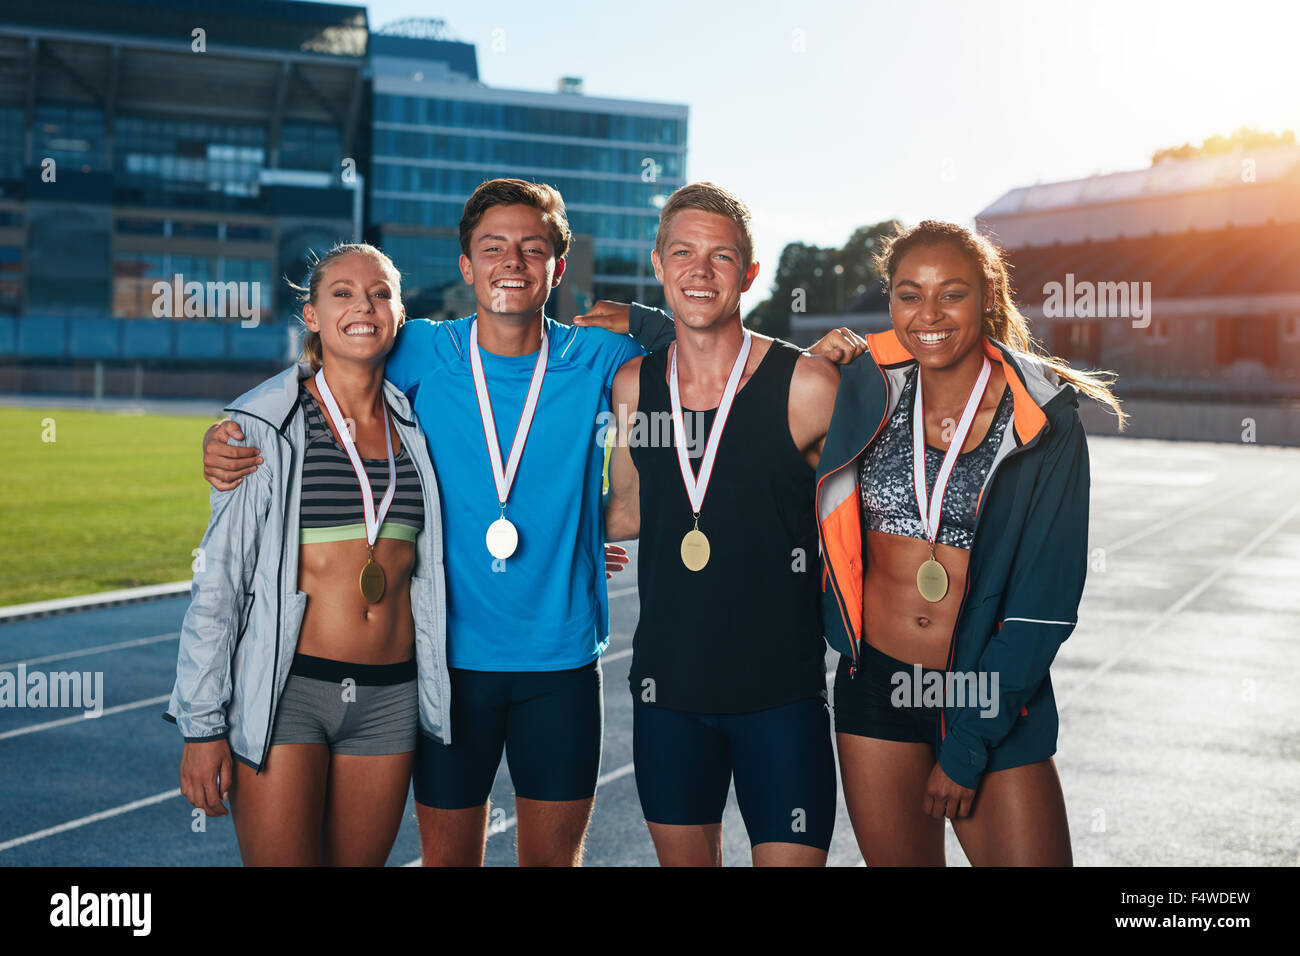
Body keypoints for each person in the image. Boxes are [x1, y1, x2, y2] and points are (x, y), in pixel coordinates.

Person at [817, 220, 1125, 865]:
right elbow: (737, 378)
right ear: (891, 300)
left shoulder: (1044, 419)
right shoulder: (865, 386)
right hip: (877, 686)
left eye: (950, 293)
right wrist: (650, 326)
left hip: (985, 692)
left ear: (987, 294)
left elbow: (1044, 604)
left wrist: (968, 744)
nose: (928, 314)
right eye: (908, 294)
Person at [166, 243, 450, 866]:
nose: (363, 305)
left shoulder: (416, 426)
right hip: (289, 692)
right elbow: (220, 584)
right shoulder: (261, 426)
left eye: (380, 293)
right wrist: (201, 725)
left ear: (400, 315)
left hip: (390, 697)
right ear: (313, 316)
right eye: (342, 293)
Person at [602, 182, 845, 866]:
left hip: (781, 697)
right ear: (658, 265)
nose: (699, 271)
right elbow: (627, 509)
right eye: (683, 252)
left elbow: (869, 518)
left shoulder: (806, 386)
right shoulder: (633, 388)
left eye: (721, 256)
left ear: (750, 273)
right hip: (668, 693)